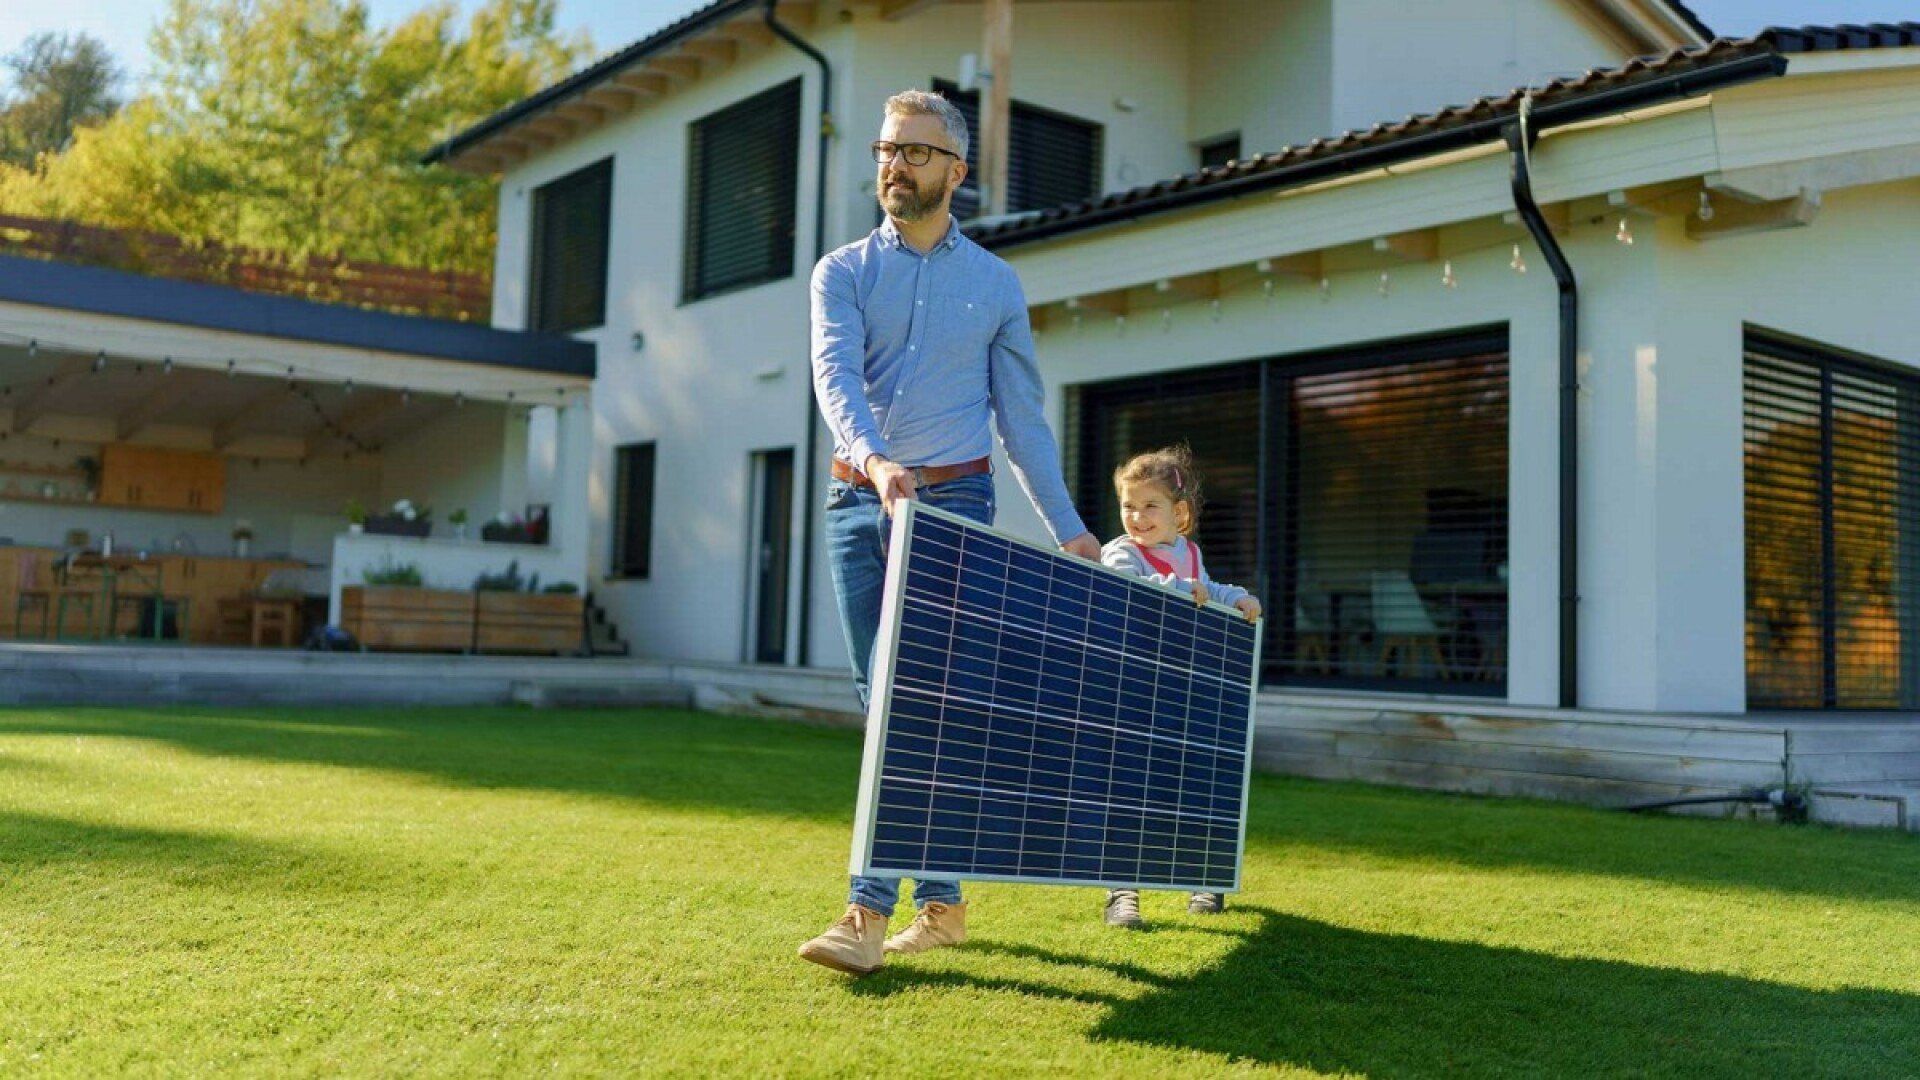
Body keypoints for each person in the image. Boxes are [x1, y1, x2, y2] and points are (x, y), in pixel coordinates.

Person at [798, 89, 1101, 976]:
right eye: (887, 148)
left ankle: (864, 912)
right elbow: (834, 379)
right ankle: (944, 902)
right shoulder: (842, 272)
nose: (895, 165)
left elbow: (1023, 423)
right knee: (881, 700)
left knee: (910, 700)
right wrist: (875, 459)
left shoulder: (996, 286)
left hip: (956, 510)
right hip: (858, 503)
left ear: (957, 172)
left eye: (916, 153)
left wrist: (1072, 531)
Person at [1096, 445, 1261, 929]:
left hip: (1182, 692)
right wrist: (1174, 590)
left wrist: (1239, 598)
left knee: (1192, 785)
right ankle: (1121, 888)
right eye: (1129, 505)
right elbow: (1126, 591)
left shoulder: (1189, 553)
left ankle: (1203, 877)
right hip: (1134, 692)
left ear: (1180, 513)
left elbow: (1209, 589)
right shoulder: (1122, 552)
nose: (1137, 516)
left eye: (1151, 506)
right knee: (1129, 789)